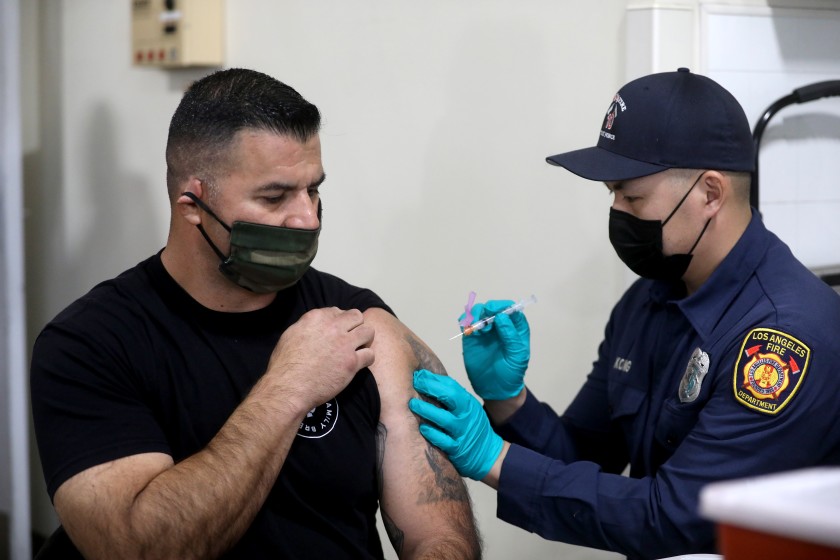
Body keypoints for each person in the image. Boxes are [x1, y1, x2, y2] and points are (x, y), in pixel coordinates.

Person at [30, 68, 481, 560]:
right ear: (192, 204)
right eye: (275, 196)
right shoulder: (91, 344)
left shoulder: (357, 322)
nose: (307, 218)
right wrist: (290, 386)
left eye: (313, 189)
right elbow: (136, 547)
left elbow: (438, 535)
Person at [408, 68, 840, 559]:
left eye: (633, 196)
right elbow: (586, 456)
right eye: (611, 193)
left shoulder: (781, 338)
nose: (616, 212)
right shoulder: (647, 301)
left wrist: (493, 459)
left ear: (711, 194)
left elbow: (675, 518)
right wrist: (508, 401)